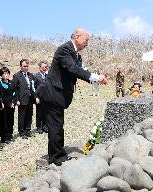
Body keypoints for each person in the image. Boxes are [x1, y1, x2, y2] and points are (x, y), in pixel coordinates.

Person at [36, 28, 107, 166]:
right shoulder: (65, 49)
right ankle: (58, 158)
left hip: (58, 95)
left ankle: (56, 154)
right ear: (76, 36)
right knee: (56, 126)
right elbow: (72, 69)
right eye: (86, 39)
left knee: (57, 125)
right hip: (52, 93)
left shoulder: (75, 53)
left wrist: (95, 78)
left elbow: (81, 70)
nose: (87, 42)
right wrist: (96, 77)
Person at [12, 59, 37, 139]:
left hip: (30, 98)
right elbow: (14, 89)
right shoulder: (16, 76)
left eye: (27, 66)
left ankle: (28, 130)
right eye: (24, 66)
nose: (26, 68)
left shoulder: (31, 75)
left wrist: (35, 97)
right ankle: (21, 131)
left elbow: (33, 87)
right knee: (22, 116)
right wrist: (16, 100)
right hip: (22, 99)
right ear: (20, 66)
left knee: (29, 114)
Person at [0, 67, 15, 143]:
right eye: (4, 73)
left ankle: (10, 134)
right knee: (3, 121)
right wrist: (2, 102)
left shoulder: (11, 82)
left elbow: (15, 93)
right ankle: (4, 137)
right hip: (3, 105)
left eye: (7, 73)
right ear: (1, 75)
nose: (6, 75)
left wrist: (13, 102)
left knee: (10, 120)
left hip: (11, 105)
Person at [34, 61, 49, 134]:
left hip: (47, 98)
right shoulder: (36, 76)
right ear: (40, 68)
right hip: (39, 97)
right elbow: (33, 88)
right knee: (39, 113)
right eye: (43, 67)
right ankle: (39, 127)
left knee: (46, 112)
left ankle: (45, 126)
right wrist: (36, 97)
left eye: (46, 67)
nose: (45, 68)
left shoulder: (48, 76)